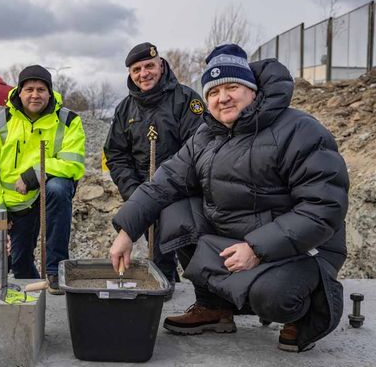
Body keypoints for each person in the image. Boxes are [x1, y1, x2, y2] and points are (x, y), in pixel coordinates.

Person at [109, 44, 349, 352]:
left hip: (301, 249)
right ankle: (215, 307)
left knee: (273, 298)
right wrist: (127, 231)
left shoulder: (299, 130)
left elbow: (322, 209)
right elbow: (162, 184)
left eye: (231, 87)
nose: (222, 98)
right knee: (176, 211)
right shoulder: (206, 136)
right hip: (239, 237)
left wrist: (257, 248)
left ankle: (311, 310)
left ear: (252, 90)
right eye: (213, 91)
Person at [104, 42, 205, 299]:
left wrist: (164, 190)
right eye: (136, 69)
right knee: (157, 254)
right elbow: (116, 154)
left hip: (181, 191)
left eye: (149, 66)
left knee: (188, 250)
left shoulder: (187, 100)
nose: (144, 73)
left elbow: (198, 150)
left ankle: (207, 299)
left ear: (161, 64)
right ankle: (164, 286)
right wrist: (135, 193)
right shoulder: (124, 109)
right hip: (142, 190)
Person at [0, 65, 85, 294]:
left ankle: (56, 271)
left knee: (58, 187)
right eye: (29, 89)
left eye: (41, 89)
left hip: (49, 193)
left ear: (50, 93)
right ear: (19, 92)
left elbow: (74, 164)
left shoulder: (68, 121)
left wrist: (35, 174)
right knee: (19, 261)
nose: (35, 95)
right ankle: (33, 293)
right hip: (16, 200)